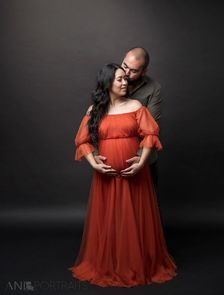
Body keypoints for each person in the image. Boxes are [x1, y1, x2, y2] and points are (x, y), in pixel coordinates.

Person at [68, 63, 177, 287]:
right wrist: (94, 164)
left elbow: (150, 135)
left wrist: (141, 162)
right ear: (107, 83)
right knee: (109, 221)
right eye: (119, 79)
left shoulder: (136, 105)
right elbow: (82, 141)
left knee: (135, 220)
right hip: (105, 177)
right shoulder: (94, 110)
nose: (124, 82)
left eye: (126, 79)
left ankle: (138, 265)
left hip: (135, 175)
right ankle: (110, 264)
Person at [95, 47, 162, 195]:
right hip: (109, 163)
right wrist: (95, 153)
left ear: (143, 72)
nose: (126, 73)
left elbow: (151, 127)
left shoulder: (153, 88)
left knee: (146, 205)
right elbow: (96, 122)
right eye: (125, 66)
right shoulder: (110, 80)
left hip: (143, 159)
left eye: (133, 71)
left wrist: (139, 158)